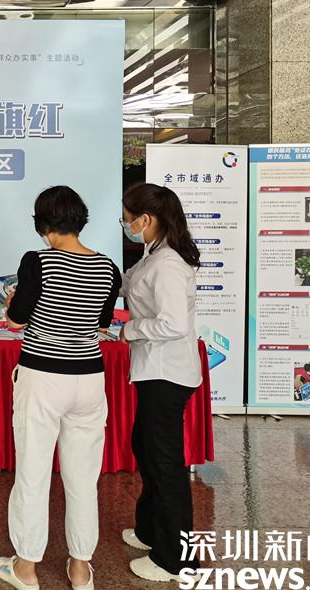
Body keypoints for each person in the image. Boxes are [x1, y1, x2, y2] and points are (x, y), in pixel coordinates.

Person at [0, 186, 120, 590]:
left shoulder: (37, 261)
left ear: (43, 223)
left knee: (33, 474)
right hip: (89, 379)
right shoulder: (107, 267)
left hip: (43, 377)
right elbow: (101, 324)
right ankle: (80, 568)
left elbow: (16, 320)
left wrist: (14, 301)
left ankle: (26, 567)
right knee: (83, 478)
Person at [119, 183, 203, 583]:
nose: (126, 225)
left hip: (166, 373)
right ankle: (150, 531)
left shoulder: (168, 262)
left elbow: (172, 324)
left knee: (165, 465)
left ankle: (177, 560)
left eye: (127, 219)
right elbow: (129, 285)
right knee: (147, 450)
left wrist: (129, 330)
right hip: (155, 371)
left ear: (146, 219)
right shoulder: (154, 254)